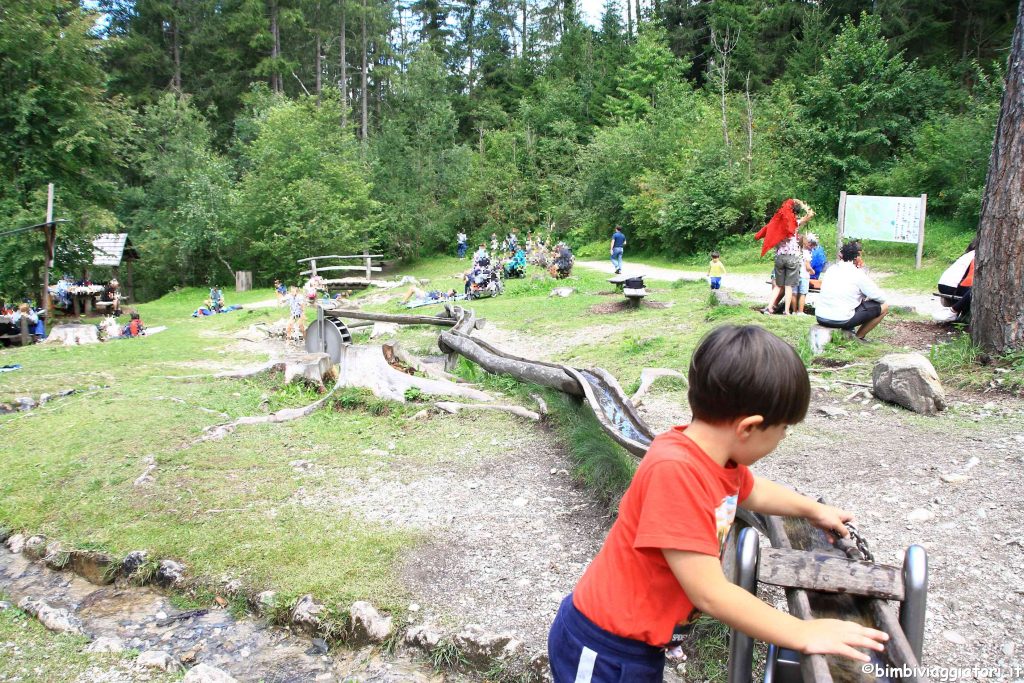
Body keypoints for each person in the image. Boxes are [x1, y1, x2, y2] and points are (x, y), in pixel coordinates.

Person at [547, 325, 888, 683]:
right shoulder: (675, 473)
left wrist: (813, 510)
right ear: (749, 427)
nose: (782, 438)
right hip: (604, 649)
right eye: (783, 429)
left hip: (637, 647)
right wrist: (803, 632)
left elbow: (753, 492)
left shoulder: (715, 459)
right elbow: (711, 594)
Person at [815, 242, 889, 341]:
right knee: (884, 306)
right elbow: (881, 297)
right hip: (841, 319)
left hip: (820, 317)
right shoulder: (858, 274)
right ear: (856, 258)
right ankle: (859, 337)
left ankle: (850, 331)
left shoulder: (831, 269)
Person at [763, 199, 815, 315]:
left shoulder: (777, 224)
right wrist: (802, 204)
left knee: (778, 285)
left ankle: (769, 308)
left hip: (779, 257)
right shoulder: (795, 223)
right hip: (792, 258)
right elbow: (810, 214)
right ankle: (786, 311)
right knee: (788, 286)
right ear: (795, 213)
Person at [793, 236, 813, 315]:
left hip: (794, 275)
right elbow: (807, 267)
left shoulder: (794, 252)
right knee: (802, 294)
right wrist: (812, 271)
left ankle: (794, 311)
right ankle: (800, 311)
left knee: (793, 293)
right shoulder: (806, 253)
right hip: (804, 276)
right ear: (806, 243)